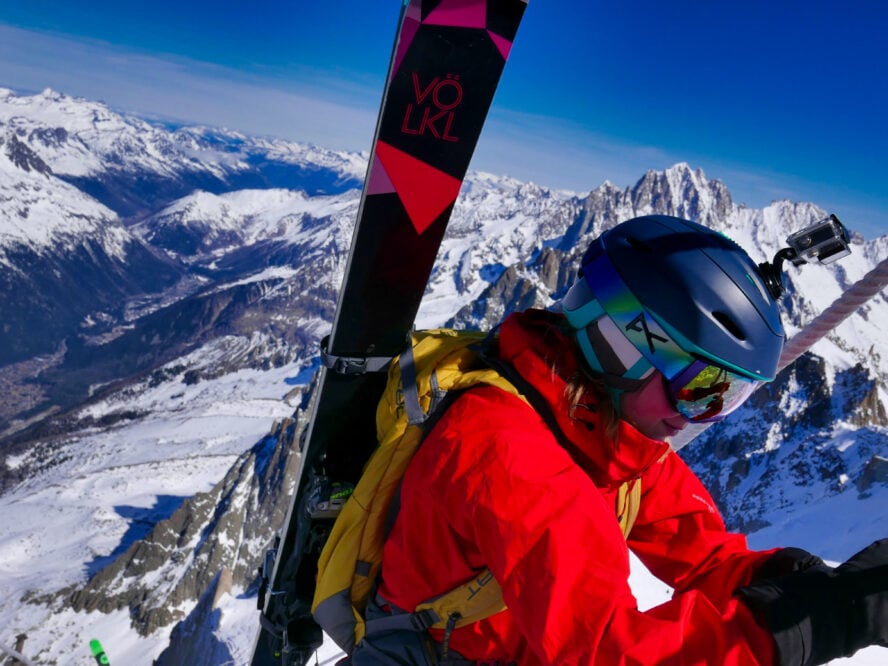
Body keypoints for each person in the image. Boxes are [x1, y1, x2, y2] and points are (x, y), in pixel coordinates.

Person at [350, 215, 888, 665]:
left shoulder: (610, 431)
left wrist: (795, 579)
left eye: (728, 395)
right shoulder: (507, 452)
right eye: (700, 386)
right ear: (622, 347)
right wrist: (825, 622)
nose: (701, 415)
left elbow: (701, 555)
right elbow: (612, 652)